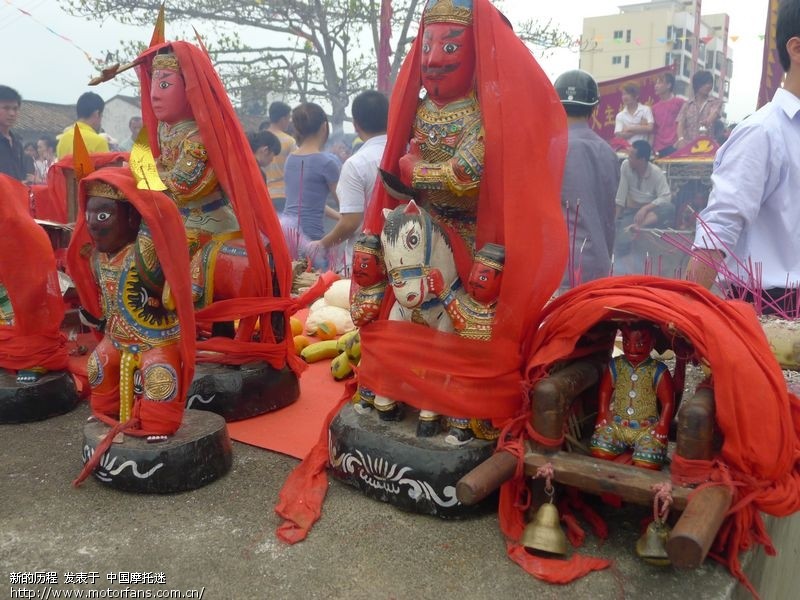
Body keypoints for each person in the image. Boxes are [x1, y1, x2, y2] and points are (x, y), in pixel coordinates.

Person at [687, 0, 800, 314]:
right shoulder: (762, 132)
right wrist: (684, 314)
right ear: (797, 49)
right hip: (768, 311)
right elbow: (720, 227)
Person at [554, 69, 620, 288]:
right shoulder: (608, 152)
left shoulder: (552, 148)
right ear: (594, 108)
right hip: (599, 265)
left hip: (559, 269)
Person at [314, 90, 388, 267]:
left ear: (355, 124)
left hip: (366, 265)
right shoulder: (407, 154)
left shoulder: (356, 164)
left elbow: (351, 222)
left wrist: (321, 245)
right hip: (406, 258)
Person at [590, 321, 675, 470]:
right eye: (626, 342)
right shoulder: (616, 365)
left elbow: (668, 402)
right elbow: (605, 391)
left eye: (640, 344)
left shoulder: (658, 370)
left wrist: (662, 426)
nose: (632, 349)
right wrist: (603, 413)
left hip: (647, 429)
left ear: (652, 342)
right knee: (600, 451)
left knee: (647, 462)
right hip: (617, 424)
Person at [282, 102, 341, 268]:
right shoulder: (327, 162)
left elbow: (308, 202)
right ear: (324, 127)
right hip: (313, 238)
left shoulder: (290, 159)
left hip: (288, 233)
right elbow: (345, 205)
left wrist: (339, 217)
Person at [613, 140, 673, 260]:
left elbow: (666, 197)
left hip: (649, 214)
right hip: (630, 212)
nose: (628, 158)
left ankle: (639, 225)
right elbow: (621, 194)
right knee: (620, 242)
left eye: (631, 157)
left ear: (642, 160)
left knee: (669, 208)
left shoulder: (656, 173)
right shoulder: (625, 166)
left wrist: (645, 208)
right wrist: (615, 220)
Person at [264, 101, 298, 213]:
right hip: (283, 195)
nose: (289, 122)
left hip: (263, 193)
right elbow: (296, 170)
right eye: (288, 119)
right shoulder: (289, 141)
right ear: (283, 119)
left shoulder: (259, 139)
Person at [676, 70, 723, 149]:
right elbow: (680, 123)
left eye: (710, 83)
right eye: (705, 83)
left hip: (707, 147)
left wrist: (707, 121)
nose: (709, 86)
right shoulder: (687, 104)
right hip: (688, 146)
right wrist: (681, 139)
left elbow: (714, 113)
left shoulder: (715, 102)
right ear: (697, 84)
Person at [56, 92, 109, 159]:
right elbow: (106, 169)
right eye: (102, 116)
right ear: (97, 114)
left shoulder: (63, 139)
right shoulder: (99, 142)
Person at [0, 85, 33, 182]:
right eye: (6, 108)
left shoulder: (17, 142)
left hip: (16, 195)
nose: (12, 113)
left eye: (15, 109)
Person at [651, 72, 684, 157]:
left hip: (674, 146)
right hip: (658, 148)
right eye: (656, 83)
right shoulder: (654, 108)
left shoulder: (679, 102)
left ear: (669, 85)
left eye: (660, 83)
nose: (656, 86)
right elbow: (654, 131)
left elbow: (684, 123)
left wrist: (680, 141)